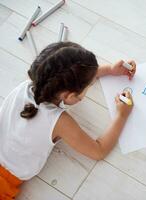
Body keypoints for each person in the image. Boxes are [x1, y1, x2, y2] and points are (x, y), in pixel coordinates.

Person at [0, 42, 136, 199]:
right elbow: (98, 151)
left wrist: (109, 70)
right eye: (89, 85)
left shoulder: (26, 86)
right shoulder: (60, 121)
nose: (90, 85)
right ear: (71, 96)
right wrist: (122, 115)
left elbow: (63, 77)